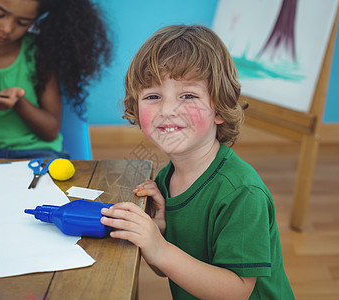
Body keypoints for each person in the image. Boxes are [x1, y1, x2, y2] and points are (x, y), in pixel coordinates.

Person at [100, 25, 295, 299]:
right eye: (153, 96)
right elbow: (168, 269)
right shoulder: (165, 180)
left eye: (188, 95)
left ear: (219, 108)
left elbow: (235, 291)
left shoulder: (241, 193)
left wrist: (161, 248)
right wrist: (159, 233)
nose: (167, 110)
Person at [0, 0, 111, 159]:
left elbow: (51, 131)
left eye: (22, 22)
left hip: (38, 154)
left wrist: (19, 104)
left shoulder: (40, 54)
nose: (6, 28)